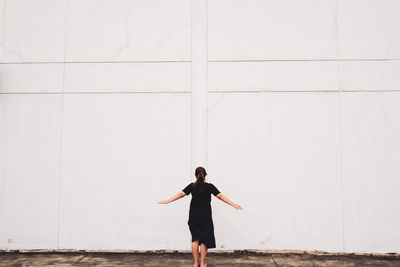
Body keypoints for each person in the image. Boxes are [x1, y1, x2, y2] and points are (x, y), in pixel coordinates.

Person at [157, 166, 243, 267]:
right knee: (204, 240)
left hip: (193, 216)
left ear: (195, 175)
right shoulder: (210, 186)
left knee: (195, 239)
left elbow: (181, 194)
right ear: (205, 175)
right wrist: (233, 204)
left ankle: (195, 263)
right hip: (205, 216)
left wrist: (167, 201)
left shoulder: (192, 186)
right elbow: (220, 196)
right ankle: (202, 264)